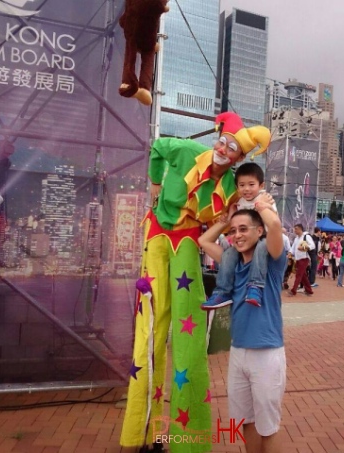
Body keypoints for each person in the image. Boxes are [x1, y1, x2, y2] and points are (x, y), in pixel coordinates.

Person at [120, 112, 271, 453]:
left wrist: (256, 210)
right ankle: (138, 433)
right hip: (157, 233)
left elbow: (244, 210)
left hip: (189, 240)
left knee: (188, 333)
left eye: (231, 148)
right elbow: (157, 147)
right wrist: (156, 182)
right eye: (222, 142)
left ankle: (188, 440)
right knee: (151, 328)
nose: (223, 149)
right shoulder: (186, 151)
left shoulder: (232, 186)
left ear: (238, 157)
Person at [198, 202, 286, 453]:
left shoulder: (271, 262)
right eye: (233, 231)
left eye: (244, 229)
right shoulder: (232, 265)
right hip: (238, 352)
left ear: (259, 231)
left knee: (268, 426)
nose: (237, 235)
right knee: (245, 421)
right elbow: (204, 241)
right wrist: (226, 221)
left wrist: (262, 205)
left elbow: (276, 225)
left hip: (266, 353)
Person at [201, 163, 277, 310]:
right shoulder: (239, 203)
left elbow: (274, 223)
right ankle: (223, 291)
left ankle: (255, 286)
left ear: (261, 185)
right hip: (248, 241)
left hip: (264, 238)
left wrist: (262, 207)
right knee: (229, 252)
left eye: (251, 184)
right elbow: (236, 223)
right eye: (242, 185)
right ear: (237, 187)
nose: (246, 189)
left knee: (262, 246)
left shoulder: (265, 198)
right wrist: (228, 216)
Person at [288, 224, 315, 296]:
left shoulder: (306, 236)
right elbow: (293, 247)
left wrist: (304, 248)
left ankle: (293, 290)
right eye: (294, 229)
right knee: (303, 276)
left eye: (296, 229)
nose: (295, 230)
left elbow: (312, 245)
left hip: (304, 258)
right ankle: (309, 291)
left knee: (299, 275)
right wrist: (290, 252)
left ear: (300, 229)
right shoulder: (296, 238)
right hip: (298, 259)